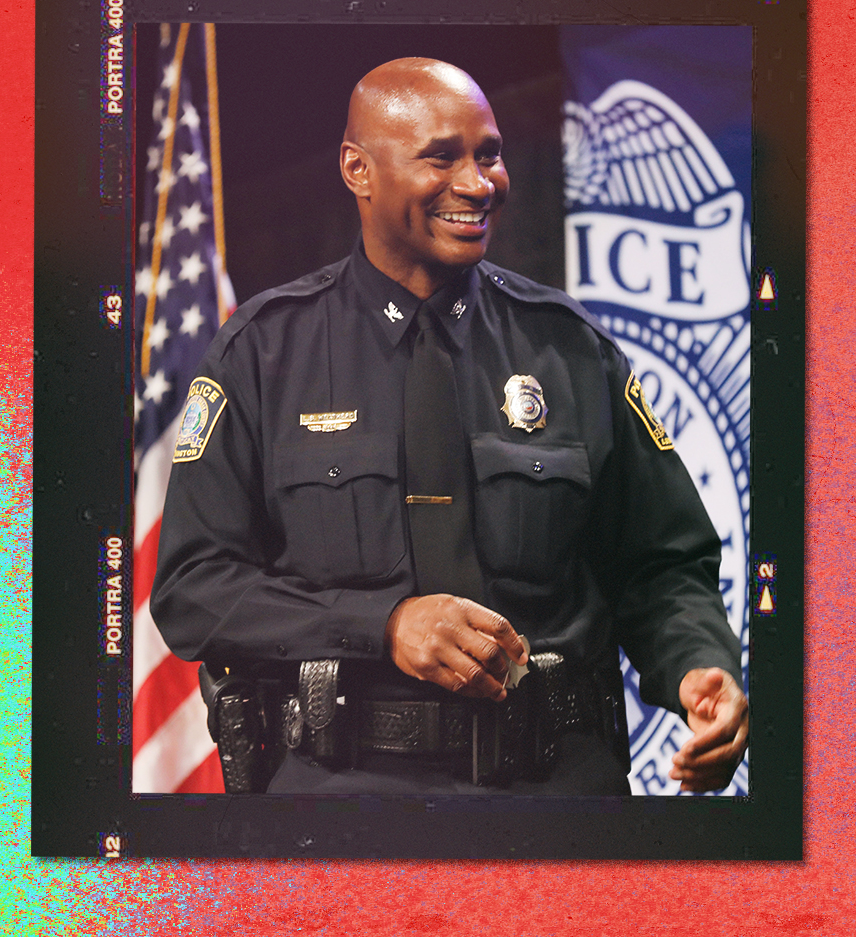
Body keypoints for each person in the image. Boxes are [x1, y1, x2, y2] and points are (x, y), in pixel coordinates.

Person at [153, 58, 747, 795]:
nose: (478, 183)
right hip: (341, 800)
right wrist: (383, 625)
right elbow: (194, 590)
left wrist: (697, 664)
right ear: (357, 169)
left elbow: (660, 564)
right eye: (441, 157)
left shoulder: (568, 347)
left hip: (554, 795)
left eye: (489, 154)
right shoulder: (263, 351)